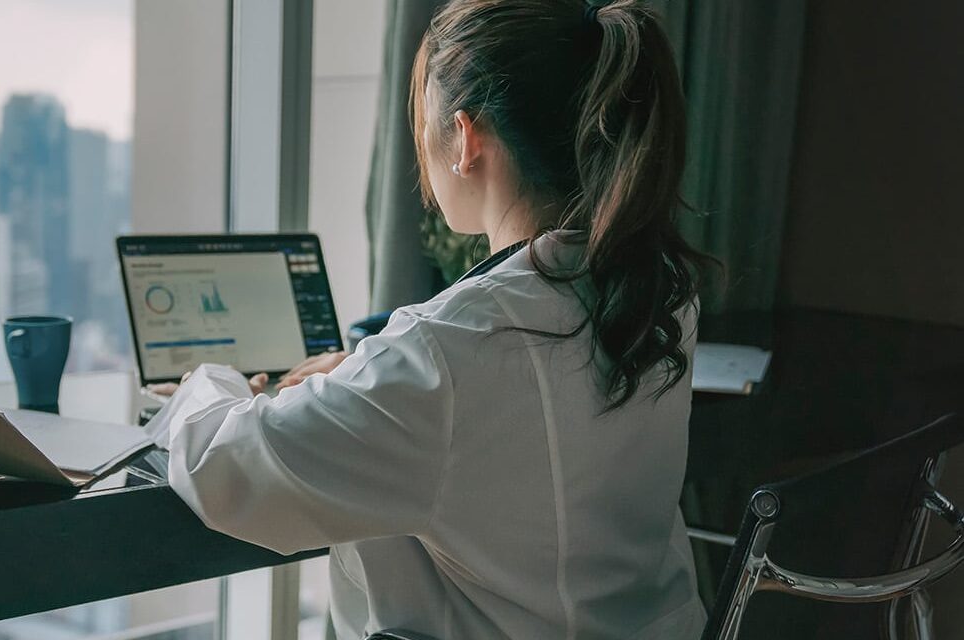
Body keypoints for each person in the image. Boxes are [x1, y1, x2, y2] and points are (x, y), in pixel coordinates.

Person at [146, 0, 714, 637]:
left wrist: (206, 382)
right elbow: (506, 417)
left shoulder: (449, 348)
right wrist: (367, 377)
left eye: (423, 124)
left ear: (467, 140)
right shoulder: (655, 290)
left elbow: (223, 470)